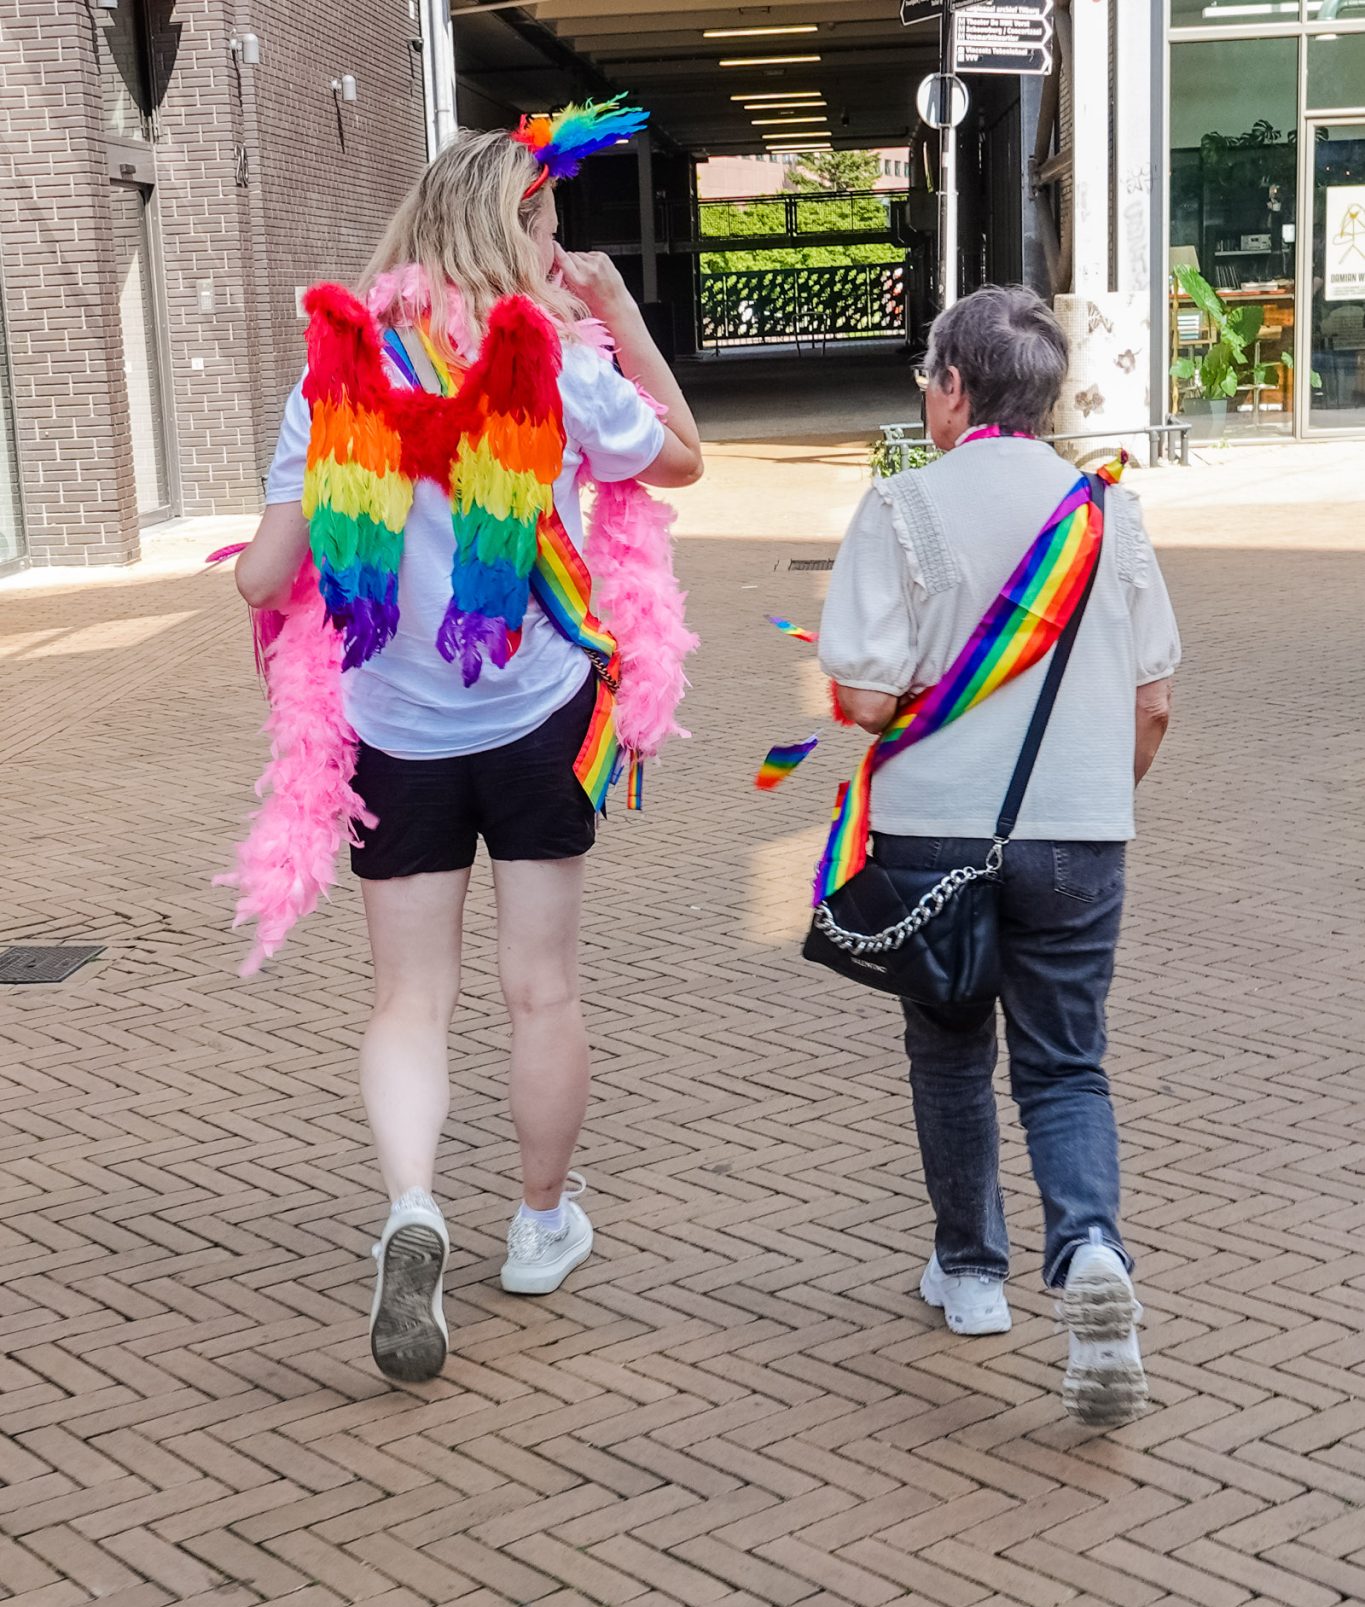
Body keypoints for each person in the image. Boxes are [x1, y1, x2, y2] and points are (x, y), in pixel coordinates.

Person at [231, 109, 703, 1385]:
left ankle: (412, 1209)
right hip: (538, 712)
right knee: (540, 986)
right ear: (516, 233)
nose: (561, 251)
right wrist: (622, 311)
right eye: (550, 228)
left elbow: (266, 573)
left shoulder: (336, 370)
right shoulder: (553, 360)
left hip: (391, 726)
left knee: (408, 998)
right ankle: (542, 1226)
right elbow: (685, 459)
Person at [818, 285, 1181, 1425]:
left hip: (934, 835)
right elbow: (1156, 701)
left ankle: (973, 1274)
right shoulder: (1106, 514)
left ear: (958, 387)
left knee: (948, 1052)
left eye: (928, 375)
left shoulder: (899, 508)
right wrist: (1094, 800)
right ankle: (1090, 1254)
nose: (925, 395)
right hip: (1079, 832)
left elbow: (866, 702)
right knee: (1067, 1064)